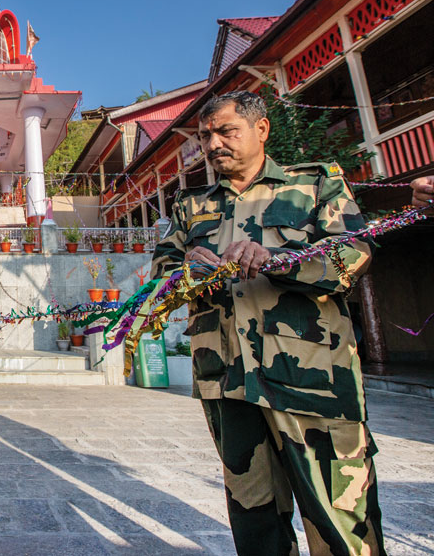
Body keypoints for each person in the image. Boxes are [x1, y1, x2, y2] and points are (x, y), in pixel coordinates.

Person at [152, 91, 385, 555]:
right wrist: (182, 272)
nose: (213, 144)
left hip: (311, 379)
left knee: (339, 514)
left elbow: (353, 254)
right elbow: (161, 274)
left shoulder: (315, 184)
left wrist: (278, 260)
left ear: (261, 130)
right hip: (227, 381)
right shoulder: (191, 205)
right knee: (253, 515)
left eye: (225, 131)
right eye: (205, 136)